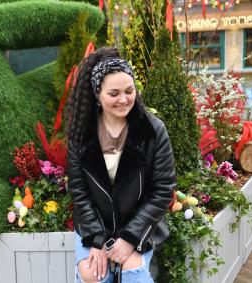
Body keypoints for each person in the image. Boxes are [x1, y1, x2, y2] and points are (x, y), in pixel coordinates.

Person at [66, 47, 176, 283]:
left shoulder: (153, 131)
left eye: (129, 90)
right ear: (98, 95)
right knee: (93, 274)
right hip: (94, 225)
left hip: (139, 223)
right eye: (113, 93)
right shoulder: (80, 135)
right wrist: (97, 239)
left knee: (132, 271)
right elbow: (79, 192)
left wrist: (130, 238)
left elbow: (162, 189)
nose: (124, 99)